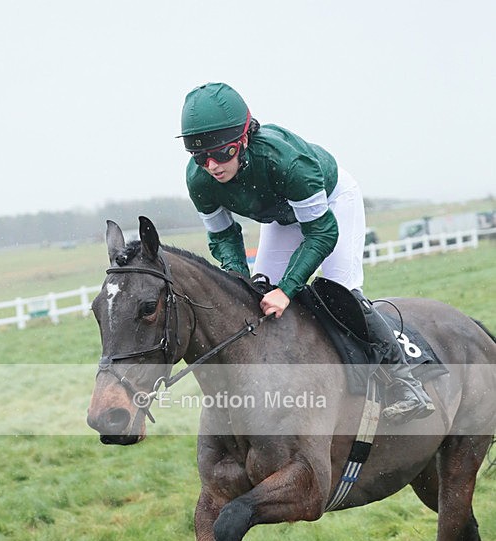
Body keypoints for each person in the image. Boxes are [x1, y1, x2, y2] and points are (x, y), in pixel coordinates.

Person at [179, 82, 434, 424]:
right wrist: (238, 277)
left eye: (221, 153)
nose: (211, 165)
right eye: (200, 156)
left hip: (330, 203)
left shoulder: (286, 161)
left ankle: (405, 382)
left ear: (243, 140)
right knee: (254, 292)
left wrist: (287, 290)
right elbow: (224, 237)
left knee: (339, 292)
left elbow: (322, 232)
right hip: (281, 216)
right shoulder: (199, 180)